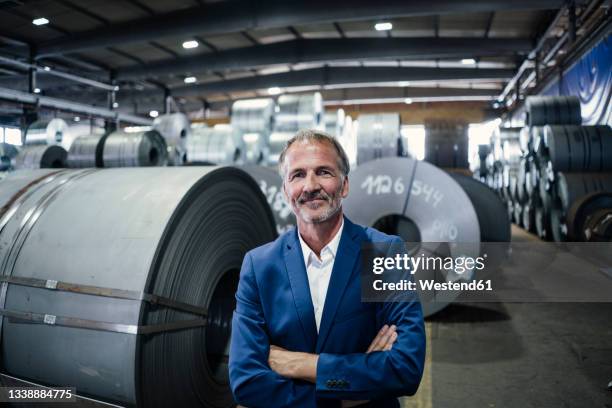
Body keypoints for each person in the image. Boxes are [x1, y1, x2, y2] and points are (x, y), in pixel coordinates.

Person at [229, 129, 425, 407]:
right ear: (286, 191)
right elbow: (246, 383)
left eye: (323, 172)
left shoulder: (383, 252)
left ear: (344, 185)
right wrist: (347, 396)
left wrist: (303, 365)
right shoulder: (259, 266)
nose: (310, 186)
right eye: (297, 175)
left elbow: (405, 368)